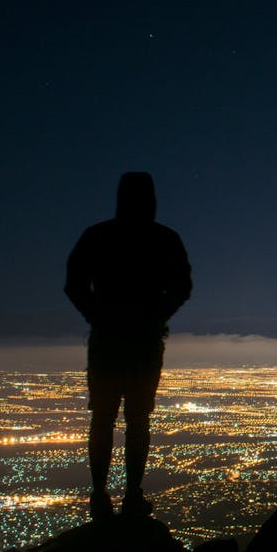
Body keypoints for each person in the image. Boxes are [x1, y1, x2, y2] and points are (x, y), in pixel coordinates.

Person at [65, 171, 191, 519]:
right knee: (137, 419)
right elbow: (183, 287)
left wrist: (97, 316)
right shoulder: (165, 239)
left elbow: (73, 284)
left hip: (107, 341)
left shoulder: (98, 237)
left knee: (104, 418)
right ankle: (132, 495)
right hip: (144, 343)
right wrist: (156, 315)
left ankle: (100, 495)